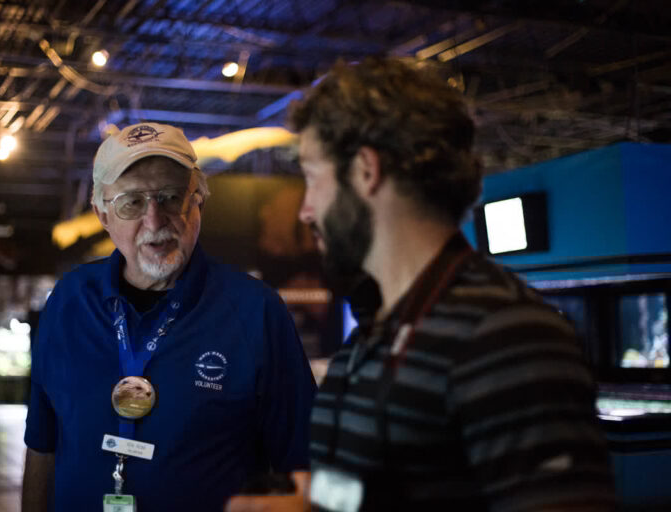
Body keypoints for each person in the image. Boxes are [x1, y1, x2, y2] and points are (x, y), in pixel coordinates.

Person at [227, 58, 615, 512]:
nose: (306, 211)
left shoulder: (503, 333)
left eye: (312, 179)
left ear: (366, 171)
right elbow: (375, 495)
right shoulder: (371, 335)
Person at [22, 122, 317, 511]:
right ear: (102, 215)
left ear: (200, 202)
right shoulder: (68, 302)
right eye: (131, 203)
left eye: (172, 197)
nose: (155, 220)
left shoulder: (256, 312)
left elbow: (305, 463)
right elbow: (42, 446)